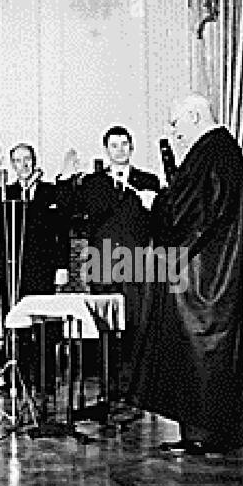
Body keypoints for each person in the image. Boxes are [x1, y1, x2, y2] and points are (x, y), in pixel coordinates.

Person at [132, 95, 243, 456]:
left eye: (176, 124)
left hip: (204, 276)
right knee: (196, 354)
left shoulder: (213, 151)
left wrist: (156, 203)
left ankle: (204, 435)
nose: (173, 132)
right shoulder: (220, 150)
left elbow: (190, 213)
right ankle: (199, 432)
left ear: (194, 117)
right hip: (208, 269)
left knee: (201, 351)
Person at [75, 126, 160, 391]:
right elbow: (87, 212)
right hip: (101, 260)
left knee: (135, 321)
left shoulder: (148, 181)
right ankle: (107, 381)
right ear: (106, 150)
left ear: (132, 148)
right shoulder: (93, 183)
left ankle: (135, 382)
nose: (120, 150)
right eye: (114, 145)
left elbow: (158, 223)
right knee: (104, 323)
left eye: (125, 144)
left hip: (135, 259)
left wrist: (152, 205)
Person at [0, 143, 76, 330]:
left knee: (41, 319)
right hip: (10, 266)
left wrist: (62, 266)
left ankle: (40, 358)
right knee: (12, 317)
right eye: (17, 161)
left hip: (42, 267)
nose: (22, 165)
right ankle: (12, 357)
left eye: (27, 160)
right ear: (12, 165)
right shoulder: (7, 192)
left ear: (34, 162)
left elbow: (63, 227)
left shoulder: (51, 192)